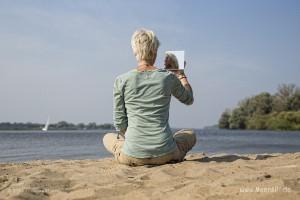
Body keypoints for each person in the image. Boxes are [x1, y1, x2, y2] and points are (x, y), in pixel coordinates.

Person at [103, 29, 196, 166]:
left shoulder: (121, 80)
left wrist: (133, 140)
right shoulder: (168, 77)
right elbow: (189, 99)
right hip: (166, 153)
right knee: (190, 133)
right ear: (156, 51)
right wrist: (180, 74)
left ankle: (130, 148)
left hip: (132, 155)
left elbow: (120, 122)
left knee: (107, 137)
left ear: (135, 51)